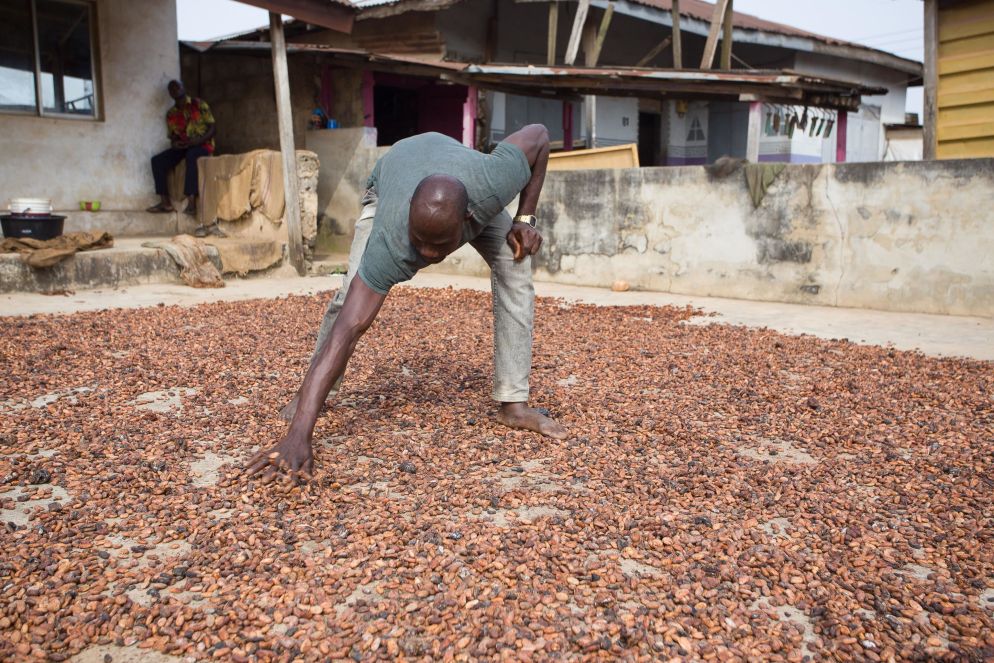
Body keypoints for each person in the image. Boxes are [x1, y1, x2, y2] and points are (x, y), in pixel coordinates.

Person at [245, 125, 568, 481]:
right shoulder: (392, 240)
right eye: (420, 243)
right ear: (409, 218)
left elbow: (539, 136)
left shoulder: (492, 184)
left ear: (468, 219)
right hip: (390, 179)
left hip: (457, 171)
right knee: (348, 297)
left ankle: (514, 404)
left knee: (515, 265)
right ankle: (311, 397)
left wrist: (524, 219)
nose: (428, 255)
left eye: (439, 246)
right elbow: (349, 329)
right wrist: (298, 435)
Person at [146, 80, 216, 219]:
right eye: (171, 89)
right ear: (170, 94)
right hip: (184, 146)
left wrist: (198, 141)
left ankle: (191, 203)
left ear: (183, 87)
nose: (175, 89)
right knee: (157, 161)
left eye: (177, 86)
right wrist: (175, 144)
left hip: (202, 145)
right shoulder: (171, 113)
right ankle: (165, 203)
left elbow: (213, 128)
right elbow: (173, 137)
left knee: (192, 156)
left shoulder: (199, 104)